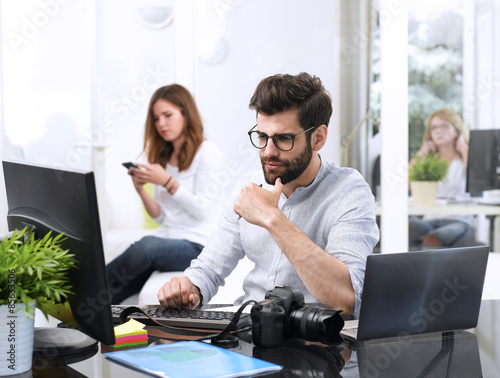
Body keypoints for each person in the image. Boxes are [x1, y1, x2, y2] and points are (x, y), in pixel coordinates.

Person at [157, 73, 379, 316]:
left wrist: (272, 218)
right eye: (262, 137)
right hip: (250, 330)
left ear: (318, 138)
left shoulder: (349, 192)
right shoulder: (248, 186)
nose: (268, 152)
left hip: (317, 342)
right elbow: (209, 268)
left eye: (284, 138)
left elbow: (346, 299)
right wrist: (190, 287)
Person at [107, 84, 225, 304]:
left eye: (167, 115)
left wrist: (167, 182)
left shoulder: (207, 152)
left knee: (146, 247)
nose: (161, 123)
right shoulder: (164, 157)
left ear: (185, 113)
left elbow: (202, 210)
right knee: (129, 276)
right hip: (168, 239)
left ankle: (82, 290)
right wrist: (141, 190)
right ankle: (89, 311)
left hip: (198, 244)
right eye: (156, 118)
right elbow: (161, 217)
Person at [408, 108, 471, 248]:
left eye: (444, 126)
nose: (438, 131)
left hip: (458, 220)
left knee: (433, 238)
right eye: (434, 127)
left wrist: (464, 148)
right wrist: (423, 152)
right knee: (409, 227)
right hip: (430, 218)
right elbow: (404, 185)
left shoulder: (462, 160)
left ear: (457, 132)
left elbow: (477, 177)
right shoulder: (428, 162)